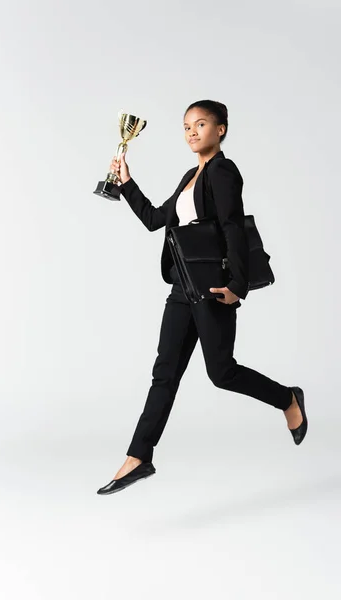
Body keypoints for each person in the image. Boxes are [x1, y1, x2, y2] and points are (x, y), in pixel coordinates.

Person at [97, 100, 308, 496]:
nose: (192, 132)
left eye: (201, 124)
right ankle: (139, 456)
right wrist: (125, 182)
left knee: (221, 372)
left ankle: (287, 398)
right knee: (165, 373)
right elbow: (155, 219)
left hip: (213, 288)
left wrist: (237, 287)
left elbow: (233, 228)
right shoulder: (188, 177)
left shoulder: (224, 171)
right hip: (182, 286)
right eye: (186, 126)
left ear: (221, 129)